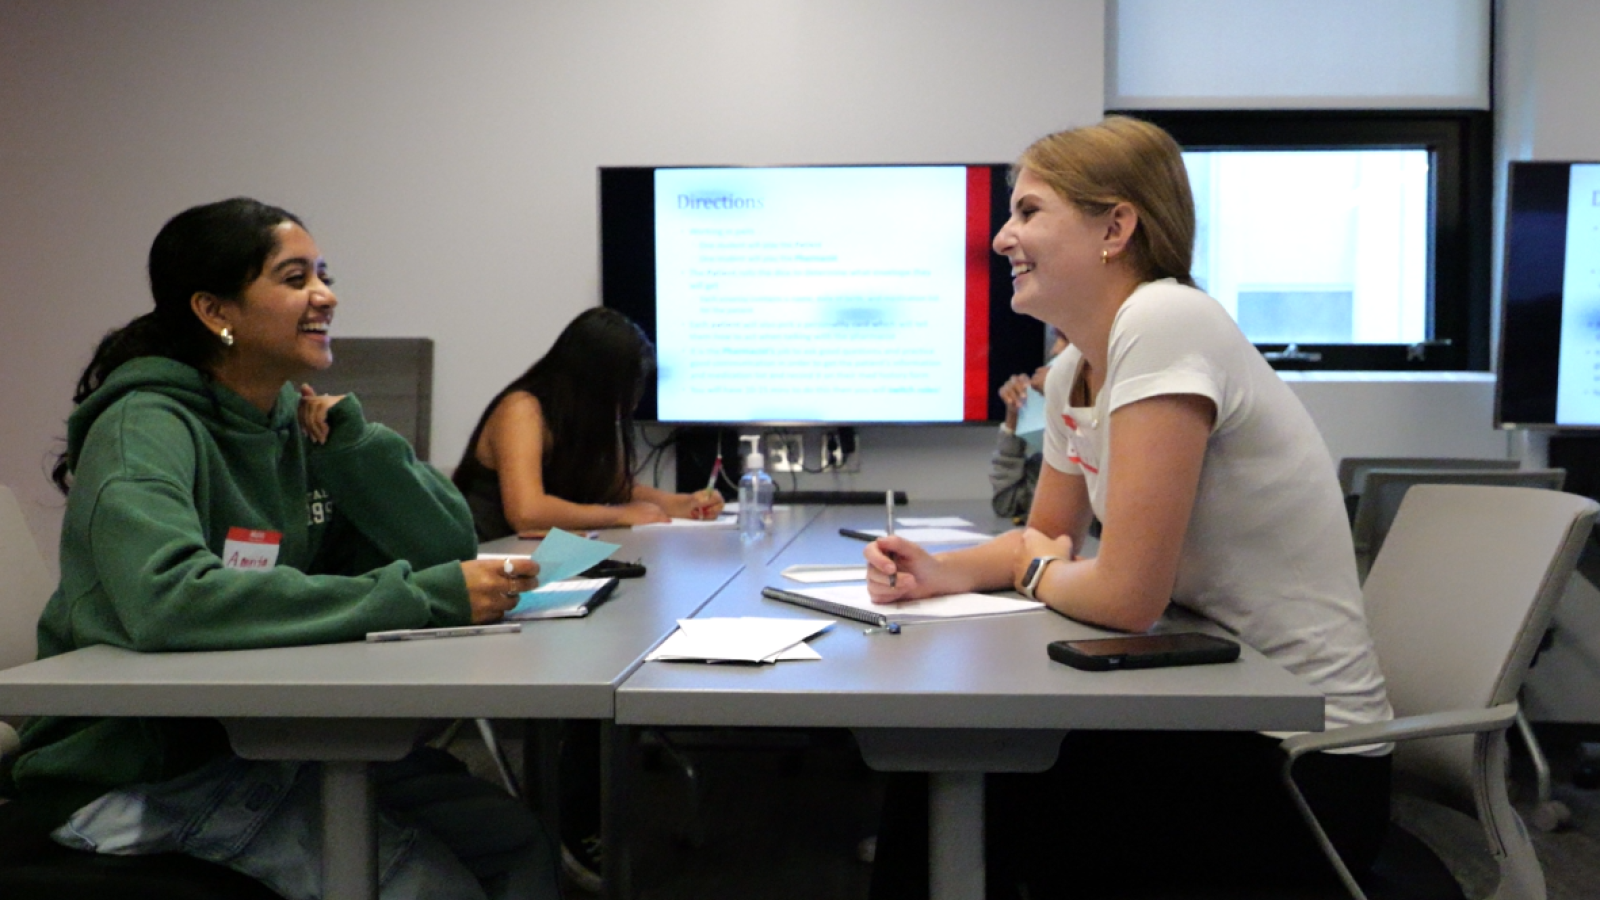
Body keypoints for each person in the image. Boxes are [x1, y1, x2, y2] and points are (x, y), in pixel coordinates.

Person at [864, 117, 1394, 898]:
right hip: (1209, 704)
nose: (1003, 237)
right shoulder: (1079, 361)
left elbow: (1125, 597)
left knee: (957, 775)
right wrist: (939, 574)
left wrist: (1033, 565)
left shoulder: (1165, 319)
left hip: (1299, 762)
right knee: (938, 761)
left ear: (1116, 226)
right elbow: (1045, 536)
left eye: (1029, 211)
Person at [0, 198, 557, 900]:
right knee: (427, 886)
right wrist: (424, 595)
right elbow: (169, 599)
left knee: (515, 844)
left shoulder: (291, 425)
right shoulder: (143, 425)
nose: (326, 295)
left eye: (323, 274)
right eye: (295, 278)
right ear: (216, 311)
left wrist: (357, 445)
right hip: (137, 771)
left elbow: (446, 548)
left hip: (265, 741)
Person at [452, 307, 723, 540]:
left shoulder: (589, 418)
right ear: (598, 383)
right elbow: (527, 512)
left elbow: (615, 488)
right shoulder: (522, 410)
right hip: (490, 554)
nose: (633, 402)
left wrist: (681, 504)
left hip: (537, 553)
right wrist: (619, 515)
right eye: (629, 388)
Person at [989, 329, 1068, 521]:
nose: (1054, 351)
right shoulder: (1057, 449)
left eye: (1065, 340)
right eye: (1056, 340)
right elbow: (1008, 503)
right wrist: (1014, 418)